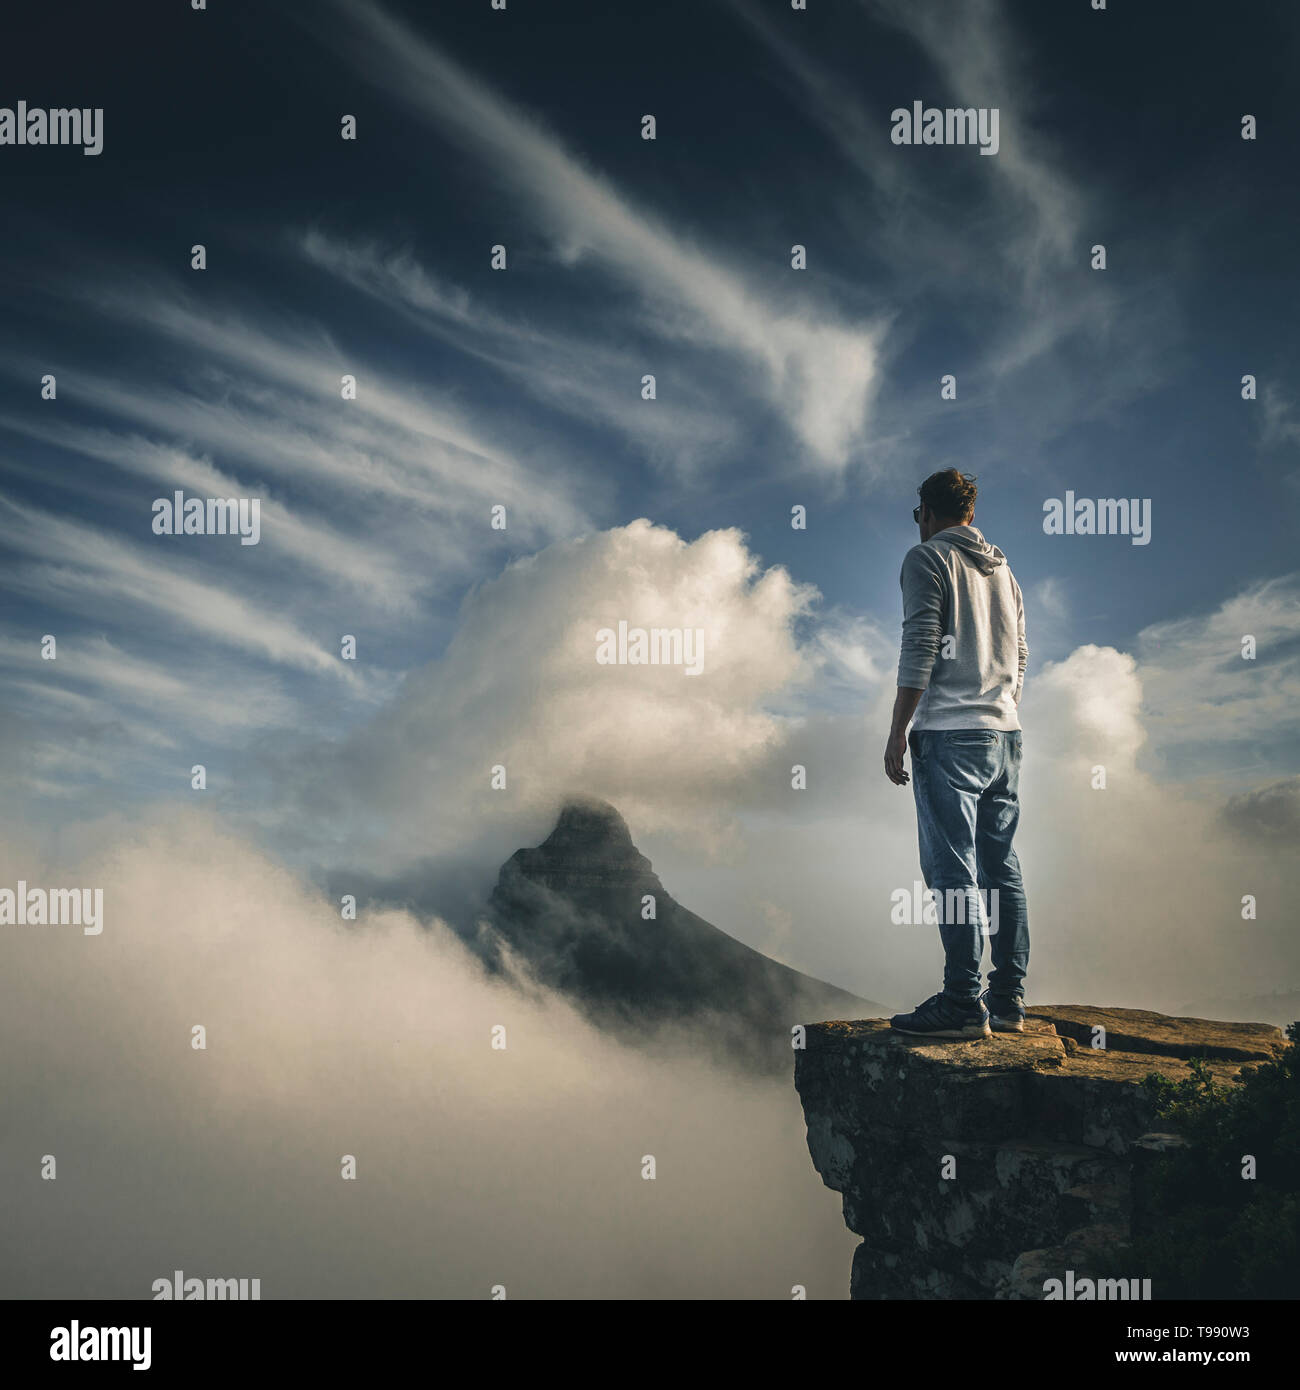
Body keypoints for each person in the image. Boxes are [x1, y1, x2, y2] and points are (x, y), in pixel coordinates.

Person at [883, 469, 1030, 1039]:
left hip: (949, 733)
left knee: (953, 870)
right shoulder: (1005, 571)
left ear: (925, 511)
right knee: (1002, 867)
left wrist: (899, 731)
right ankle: (1009, 1000)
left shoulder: (927, 560)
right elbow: (1020, 651)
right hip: (1005, 735)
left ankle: (963, 1003)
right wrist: (1002, 704)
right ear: (969, 511)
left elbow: (920, 643)